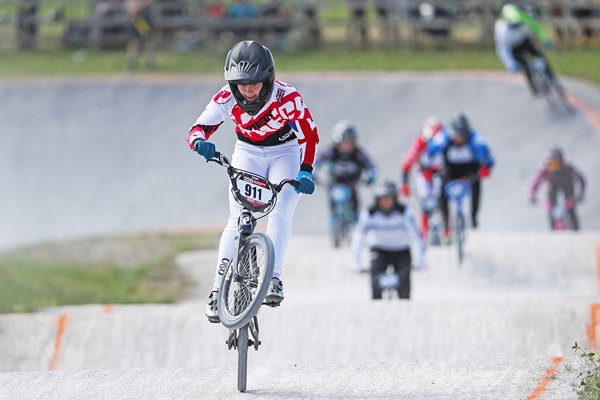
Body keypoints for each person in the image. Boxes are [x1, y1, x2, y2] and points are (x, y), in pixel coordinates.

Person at [188, 40, 319, 323]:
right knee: (236, 220)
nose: (248, 90)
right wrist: (200, 143)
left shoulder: (288, 99)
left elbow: (309, 137)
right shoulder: (227, 97)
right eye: (241, 84)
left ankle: (273, 278)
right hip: (247, 153)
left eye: (255, 83)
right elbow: (197, 129)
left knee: (281, 210)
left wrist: (306, 170)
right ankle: (216, 290)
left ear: (268, 79)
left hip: (285, 153)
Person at [426, 113, 494, 243]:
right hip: (451, 169)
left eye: (462, 135)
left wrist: (486, 167)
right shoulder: (443, 138)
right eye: (456, 135)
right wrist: (427, 167)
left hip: (469, 169)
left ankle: (473, 217)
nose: (459, 139)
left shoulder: (475, 139)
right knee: (441, 187)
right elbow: (430, 152)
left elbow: (487, 155)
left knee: (476, 182)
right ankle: (446, 222)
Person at [352, 181, 426, 299]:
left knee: (404, 288)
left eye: (389, 198)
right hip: (379, 250)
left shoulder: (404, 212)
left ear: (395, 198)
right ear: (377, 200)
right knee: (375, 283)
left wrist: (421, 259)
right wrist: (356, 262)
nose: (386, 202)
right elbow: (359, 236)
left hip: (402, 251)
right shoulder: (369, 213)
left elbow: (416, 235)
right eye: (383, 199)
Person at [314, 120, 377, 221]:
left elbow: (370, 165)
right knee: (332, 199)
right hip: (335, 183)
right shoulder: (331, 152)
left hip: (351, 183)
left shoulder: (358, 153)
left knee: (355, 200)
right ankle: (333, 219)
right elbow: (317, 161)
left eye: (349, 143)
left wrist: (372, 175)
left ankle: (356, 221)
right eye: (343, 143)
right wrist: (313, 172)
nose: (346, 146)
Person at [494, 3, 557, 96]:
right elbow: (503, 50)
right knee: (525, 67)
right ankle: (534, 87)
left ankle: (552, 78)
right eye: (513, 25)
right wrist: (510, 64)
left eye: (517, 23)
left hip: (524, 41)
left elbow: (536, 27)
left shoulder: (523, 17)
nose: (516, 26)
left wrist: (545, 38)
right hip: (513, 48)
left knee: (540, 57)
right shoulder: (501, 30)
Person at [400, 116, 445, 238]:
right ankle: (424, 234)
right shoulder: (419, 143)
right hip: (424, 175)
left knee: (443, 200)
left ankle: (447, 230)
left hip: (441, 174)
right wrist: (404, 184)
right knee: (425, 203)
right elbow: (407, 164)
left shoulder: (445, 142)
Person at [530, 147, 586, 230]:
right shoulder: (546, 170)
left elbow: (581, 179)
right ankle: (554, 232)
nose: (553, 168)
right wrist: (533, 194)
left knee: (570, 208)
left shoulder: (568, 168)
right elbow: (536, 182)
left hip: (568, 186)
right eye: (551, 165)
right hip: (553, 187)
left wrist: (581, 192)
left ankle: (576, 231)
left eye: (556, 164)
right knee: (551, 208)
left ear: (561, 162)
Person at [125, 0, 157, 70]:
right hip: (135, 18)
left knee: (149, 41)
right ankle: (132, 63)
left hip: (144, 17)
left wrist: (139, 6)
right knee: (134, 42)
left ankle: (151, 63)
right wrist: (132, 8)